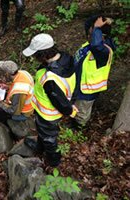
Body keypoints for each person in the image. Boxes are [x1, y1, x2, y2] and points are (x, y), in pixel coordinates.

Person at [22, 33, 78, 167]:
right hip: (51, 110)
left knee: (49, 137)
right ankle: (39, 148)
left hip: (48, 114)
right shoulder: (66, 59)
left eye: (36, 55)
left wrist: (68, 109)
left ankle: (53, 161)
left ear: (43, 54)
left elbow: (57, 98)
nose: (34, 58)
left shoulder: (49, 77)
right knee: (43, 132)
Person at [72, 15, 115, 128]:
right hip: (79, 85)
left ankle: (80, 127)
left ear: (100, 35)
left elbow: (96, 45)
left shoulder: (104, 51)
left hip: (88, 90)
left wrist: (96, 27)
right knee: (77, 106)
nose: (88, 35)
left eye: (91, 33)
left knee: (82, 111)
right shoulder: (90, 45)